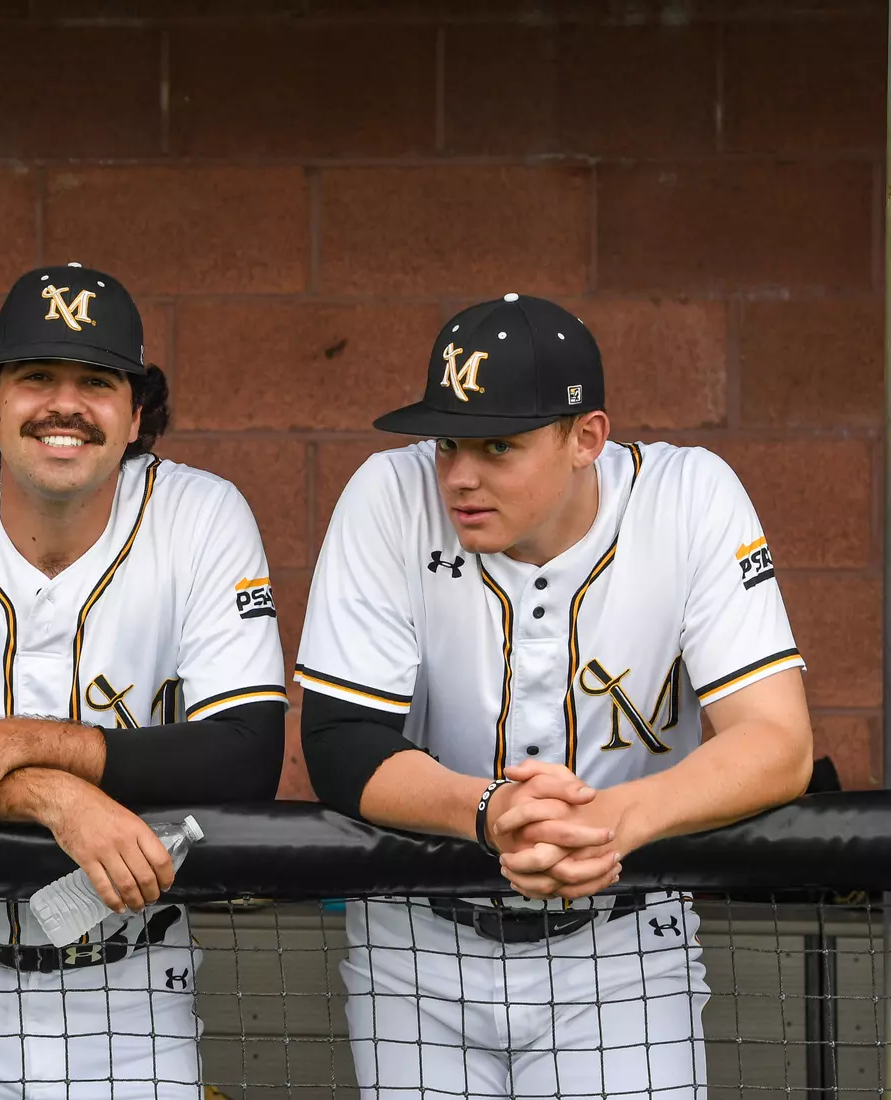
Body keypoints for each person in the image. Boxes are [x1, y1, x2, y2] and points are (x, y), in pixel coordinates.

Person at [295, 292, 813, 1099]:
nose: (460, 476)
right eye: (448, 443)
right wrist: (492, 810)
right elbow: (338, 741)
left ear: (586, 438)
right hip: (419, 948)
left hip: (625, 946)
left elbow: (778, 740)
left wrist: (611, 826)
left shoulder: (689, 497)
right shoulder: (388, 495)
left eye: (498, 445)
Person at [0, 262, 288, 1099]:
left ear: (137, 412)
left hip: (137, 979)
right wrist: (50, 795)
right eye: (35, 377)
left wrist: (16, 742)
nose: (63, 405)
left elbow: (247, 756)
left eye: (96, 382)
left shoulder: (203, 514)